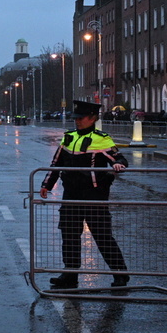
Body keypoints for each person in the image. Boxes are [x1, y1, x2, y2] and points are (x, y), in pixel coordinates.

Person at [40, 100, 129, 289]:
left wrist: (118, 164)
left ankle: (121, 274)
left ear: (93, 118)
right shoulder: (68, 137)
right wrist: (46, 184)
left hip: (94, 194)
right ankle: (70, 275)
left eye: (81, 118)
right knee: (69, 235)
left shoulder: (101, 138)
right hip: (71, 194)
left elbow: (119, 157)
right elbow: (56, 164)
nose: (77, 121)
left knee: (102, 236)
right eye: (76, 118)